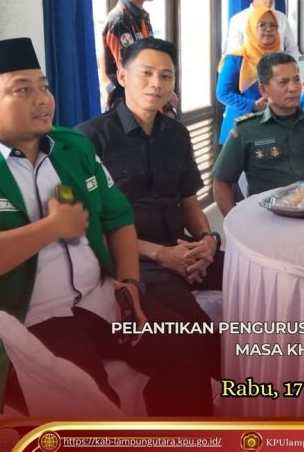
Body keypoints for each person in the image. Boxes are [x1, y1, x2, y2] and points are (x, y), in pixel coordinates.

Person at [0, 38, 212, 416]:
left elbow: (118, 218)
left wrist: (129, 283)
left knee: (188, 348)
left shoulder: (72, 148)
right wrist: (51, 227)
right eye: (23, 90)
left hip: (102, 298)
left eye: (44, 87)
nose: (43, 100)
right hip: (33, 318)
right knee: (91, 408)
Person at [76, 38, 222, 374]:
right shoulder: (89, 139)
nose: (157, 83)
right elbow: (89, 226)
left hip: (180, 246)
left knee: (253, 280)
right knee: (198, 336)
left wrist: (207, 241)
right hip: (135, 260)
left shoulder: (177, 134)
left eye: (166, 76)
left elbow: (189, 203)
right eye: (146, 73)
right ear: (122, 77)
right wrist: (161, 254)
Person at [211, 53, 304, 216]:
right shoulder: (246, 130)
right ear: (264, 90)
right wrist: (235, 221)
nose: (293, 88)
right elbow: (221, 182)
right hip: (267, 219)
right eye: (283, 82)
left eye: (296, 80)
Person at [101, 0, 166, 111]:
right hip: (127, 114)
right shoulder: (119, 21)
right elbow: (132, 76)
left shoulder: (142, 17)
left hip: (145, 109)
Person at [216, 7, 281, 144]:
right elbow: (222, 93)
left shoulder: (281, 59)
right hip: (239, 130)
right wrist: (253, 105)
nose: (268, 29)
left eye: (273, 25)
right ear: (251, 28)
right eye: (262, 25)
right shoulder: (236, 58)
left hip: (271, 128)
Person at [223, 0, 299, 57]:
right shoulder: (238, 20)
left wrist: (286, 64)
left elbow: (293, 50)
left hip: (277, 64)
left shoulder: (281, 18)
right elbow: (233, 53)